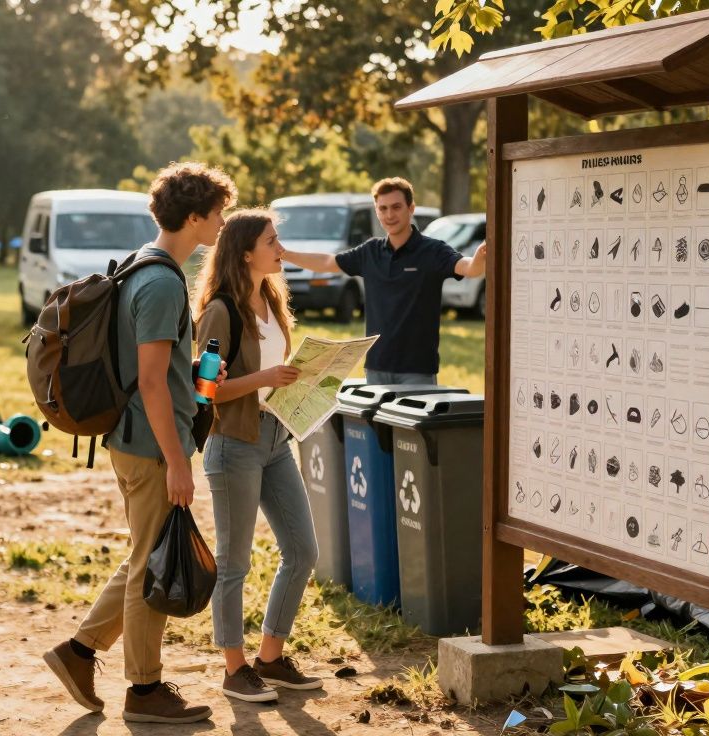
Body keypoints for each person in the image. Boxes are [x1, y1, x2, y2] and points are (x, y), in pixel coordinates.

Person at [43, 162, 237, 725]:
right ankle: (145, 690)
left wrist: (200, 379)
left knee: (145, 558)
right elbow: (150, 381)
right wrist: (177, 460)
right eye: (218, 213)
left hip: (139, 439)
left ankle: (78, 653)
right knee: (156, 570)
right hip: (152, 446)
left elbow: (160, 372)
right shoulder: (158, 282)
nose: (223, 223)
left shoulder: (143, 267)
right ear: (195, 217)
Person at [194, 209, 322, 703]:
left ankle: (270, 657)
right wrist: (263, 381)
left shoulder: (271, 300)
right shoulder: (220, 311)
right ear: (246, 251)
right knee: (234, 563)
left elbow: (274, 371)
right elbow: (205, 390)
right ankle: (234, 669)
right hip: (233, 445)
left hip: (275, 438)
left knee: (303, 550)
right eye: (272, 240)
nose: (280, 247)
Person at [280, 178, 487, 384]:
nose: (389, 215)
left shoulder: (433, 250)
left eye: (396, 207)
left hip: (417, 371)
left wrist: (480, 257)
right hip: (375, 367)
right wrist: (285, 254)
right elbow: (327, 262)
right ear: (377, 211)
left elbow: (468, 268)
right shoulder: (370, 251)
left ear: (411, 208)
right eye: (383, 208)